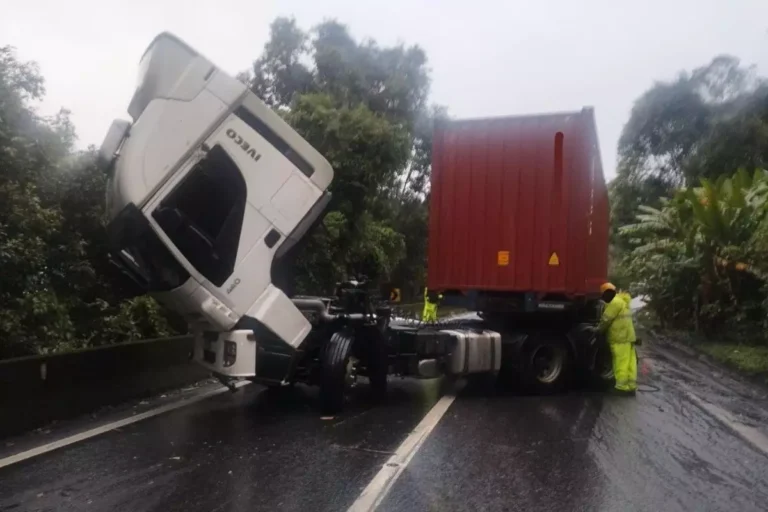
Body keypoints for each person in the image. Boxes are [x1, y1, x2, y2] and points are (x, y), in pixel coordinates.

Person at [597, 282, 638, 395]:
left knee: (620, 362)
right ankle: (631, 386)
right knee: (630, 363)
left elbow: (606, 319)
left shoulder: (614, 303)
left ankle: (621, 387)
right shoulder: (622, 301)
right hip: (628, 337)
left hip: (619, 338)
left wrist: (598, 330)